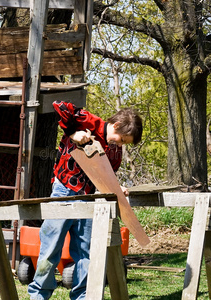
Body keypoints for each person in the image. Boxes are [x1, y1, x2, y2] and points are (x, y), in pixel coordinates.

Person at [28, 100, 143, 300]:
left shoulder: (115, 151)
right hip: (65, 191)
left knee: (86, 251)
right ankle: (39, 295)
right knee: (51, 245)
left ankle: (82, 296)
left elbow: (107, 175)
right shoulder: (89, 122)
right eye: (122, 139)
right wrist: (73, 132)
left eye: (125, 143)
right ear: (115, 126)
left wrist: (117, 187)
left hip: (90, 199)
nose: (121, 144)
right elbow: (60, 105)